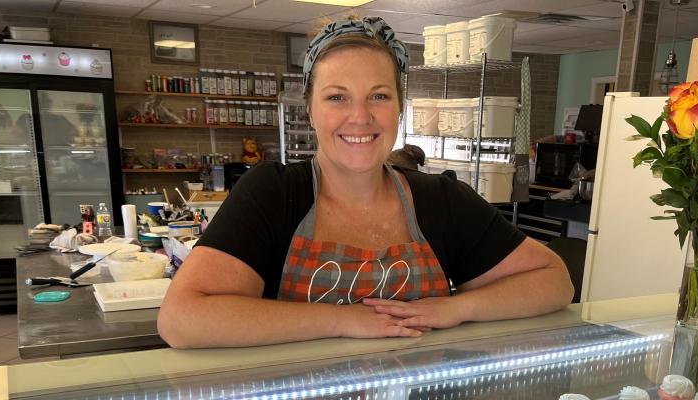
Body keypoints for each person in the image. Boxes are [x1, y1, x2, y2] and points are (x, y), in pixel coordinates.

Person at [158, 17, 573, 349]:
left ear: (399, 108)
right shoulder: (273, 194)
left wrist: (458, 308)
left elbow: (555, 282)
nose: (360, 116)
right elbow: (182, 320)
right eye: (337, 97)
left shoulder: (440, 199)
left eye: (378, 96)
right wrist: (343, 320)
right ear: (310, 109)